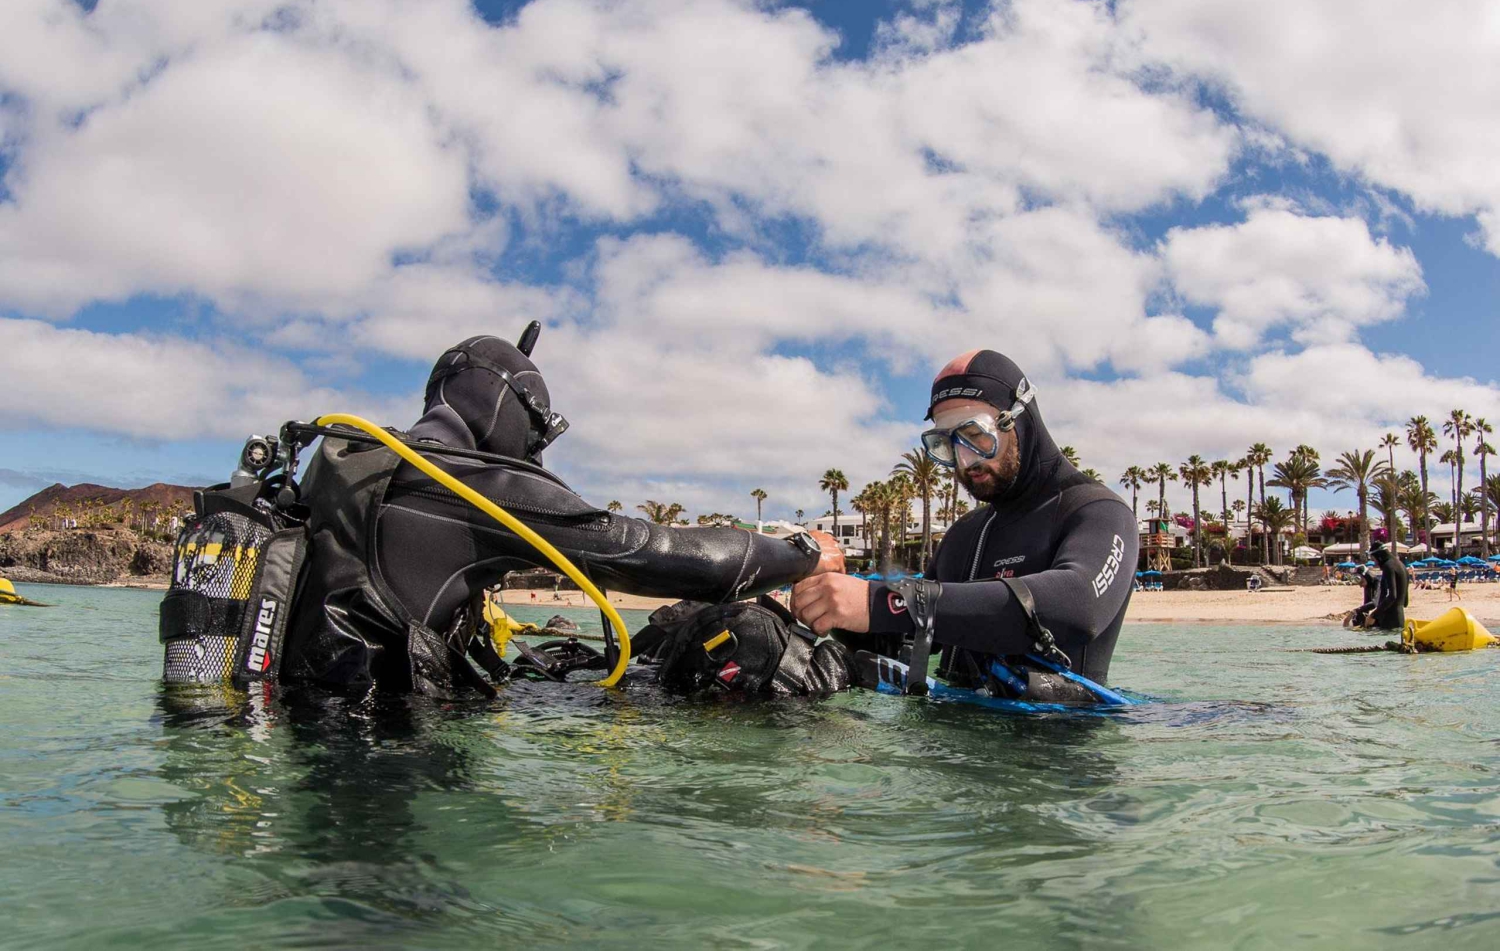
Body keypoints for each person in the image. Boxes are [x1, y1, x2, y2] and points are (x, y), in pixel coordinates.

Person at [162, 331, 844, 697]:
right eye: (538, 431)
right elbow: (655, 552)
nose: (537, 453)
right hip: (381, 778)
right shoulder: (471, 484)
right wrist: (802, 552)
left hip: (301, 731)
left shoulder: (343, 463)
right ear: (509, 409)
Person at [791, 349, 1138, 695]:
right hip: (952, 742)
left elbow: (1078, 606)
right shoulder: (966, 533)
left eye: (976, 436)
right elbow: (900, 639)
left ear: (1018, 417)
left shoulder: (1099, 512)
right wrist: (829, 599)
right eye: (946, 444)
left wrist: (881, 601)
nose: (965, 460)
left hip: (1057, 744)